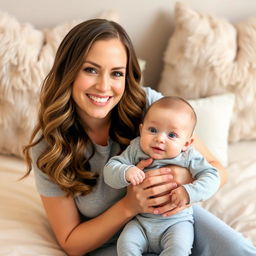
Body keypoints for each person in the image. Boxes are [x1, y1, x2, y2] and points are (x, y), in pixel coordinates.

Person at [22, 18, 256, 256]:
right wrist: (130, 205)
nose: (104, 86)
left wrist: (183, 177)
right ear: (68, 71)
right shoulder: (49, 145)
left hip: (173, 221)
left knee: (240, 250)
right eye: (90, 70)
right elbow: (71, 242)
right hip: (113, 244)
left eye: (116, 73)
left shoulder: (149, 107)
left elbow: (218, 171)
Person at [103, 96, 220, 255]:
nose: (159, 138)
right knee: (125, 244)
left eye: (172, 135)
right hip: (140, 222)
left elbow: (212, 176)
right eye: (152, 130)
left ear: (186, 143)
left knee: (178, 249)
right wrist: (126, 171)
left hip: (176, 223)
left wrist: (189, 192)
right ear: (141, 129)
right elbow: (110, 170)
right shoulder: (137, 148)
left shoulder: (188, 156)